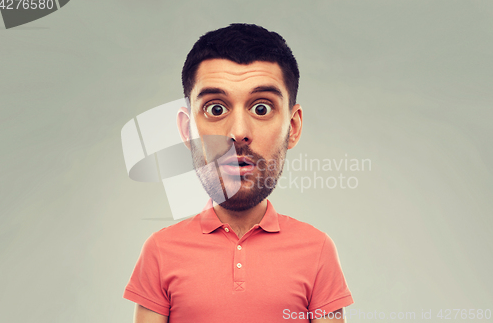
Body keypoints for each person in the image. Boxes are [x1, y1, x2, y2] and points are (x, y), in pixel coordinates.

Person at [123, 23, 354, 322]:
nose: (239, 133)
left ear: (293, 127)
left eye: (261, 108)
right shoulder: (159, 251)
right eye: (216, 109)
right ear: (186, 130)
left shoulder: (318, 249)